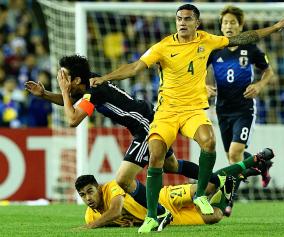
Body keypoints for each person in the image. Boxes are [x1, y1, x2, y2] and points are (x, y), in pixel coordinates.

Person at [89, 3, 284, 233]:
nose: (182, 23)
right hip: (166, 112)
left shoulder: (207, 40)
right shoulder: (163, 46)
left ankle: (201, 195)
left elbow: (245, 38)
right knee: (157, 156)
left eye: (187, 19)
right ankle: (152, 216)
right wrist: (106, 77)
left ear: (197, 22)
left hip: (193, 111)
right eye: (179, 19)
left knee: (209, 142)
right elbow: (135, 67)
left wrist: (275, 27)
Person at [24, 54, 226, 218]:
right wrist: (45, 94)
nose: (61, 79)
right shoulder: (87, 85)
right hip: (148, 118)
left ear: (76, 80)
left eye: (64, 76)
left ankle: (161, 213)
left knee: (123, 180)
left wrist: (63, 91)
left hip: (146, 126)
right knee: (170, 166)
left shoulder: (93, 90)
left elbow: (73, 119)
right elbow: (71, 103)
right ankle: (220, 179)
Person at [75, 148, 274, 230]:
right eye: (83, 195)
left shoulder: (111, 188)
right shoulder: (90, 216)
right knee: (215, 216)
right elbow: (113, 222)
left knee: (208, 187)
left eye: (90, 191)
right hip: (167, 218)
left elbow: (115, 211)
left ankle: (251, 160)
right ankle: (239, 176)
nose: (87, 198)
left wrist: (89, 229)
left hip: (162, 199)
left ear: (99, 188)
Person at [206, 6, 275, 216]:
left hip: (244, 108)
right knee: (232, 158)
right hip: (222, 109)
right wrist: (203, 86)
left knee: (234, 154)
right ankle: (261, 164)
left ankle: (229, 201)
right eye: (225, 22)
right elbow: (197, 72)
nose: (228, 26)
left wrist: (260, 86)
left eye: (232, 22)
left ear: (240, 26)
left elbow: (268, 72)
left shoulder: (252, 49)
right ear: (221, 26)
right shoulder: (214, 50)